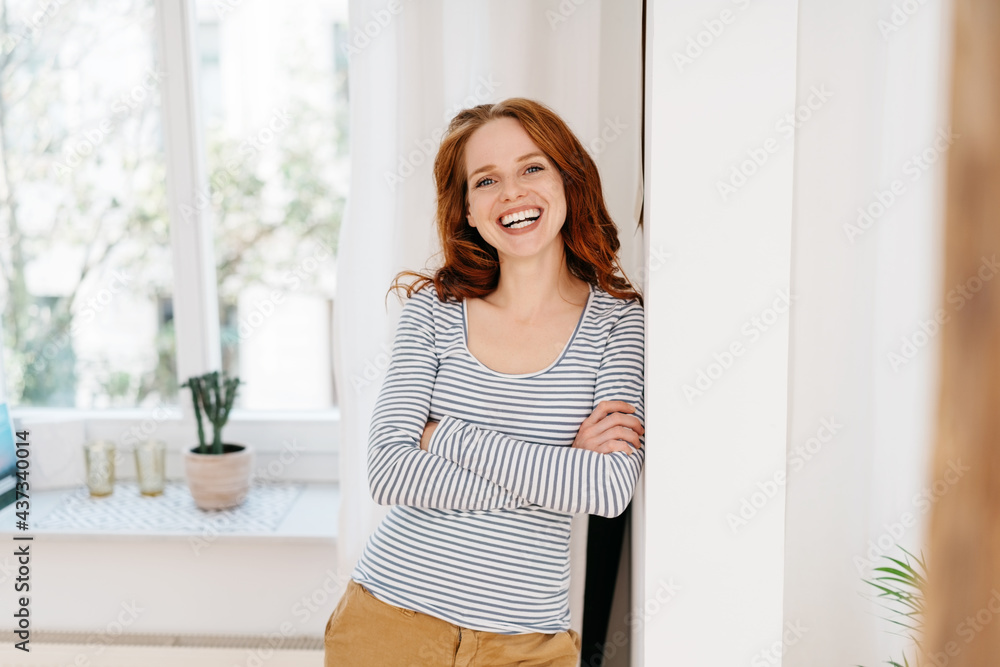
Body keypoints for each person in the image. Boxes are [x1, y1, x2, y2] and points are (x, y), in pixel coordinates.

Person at [324, 98, 645, 667]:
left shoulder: (619, 323)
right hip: (389, 621)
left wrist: (442, 436)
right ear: (468, 209)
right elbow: (389, 471)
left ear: (568, 180)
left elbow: (607, 490)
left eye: (532, 168)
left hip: (528, 644)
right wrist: (557, 467)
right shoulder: (432, 313)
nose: (512, 193)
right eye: (486, 180)